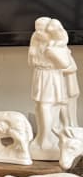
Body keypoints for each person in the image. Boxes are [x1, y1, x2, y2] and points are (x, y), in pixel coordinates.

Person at [28, 16, 68, 158]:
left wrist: (52, 54)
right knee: (39, 107)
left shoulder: (57, 44)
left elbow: (65, 64)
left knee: (46, 106)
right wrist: (34, 53)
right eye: (36, 28)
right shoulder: (36, 40)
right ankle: (41, 137)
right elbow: (31, 62)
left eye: (41, 29)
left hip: (51, 76)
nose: (38, 32)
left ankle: (47, 138)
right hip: (39, 74)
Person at [46, 18, 79, 127]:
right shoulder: (52, 48)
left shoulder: (64, 50)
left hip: (67, 85)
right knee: (57, 107)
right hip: (58, 84)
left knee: (69, 110)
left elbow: (73, 67)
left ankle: (70, 128)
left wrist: (58, 69)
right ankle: (60, 129)